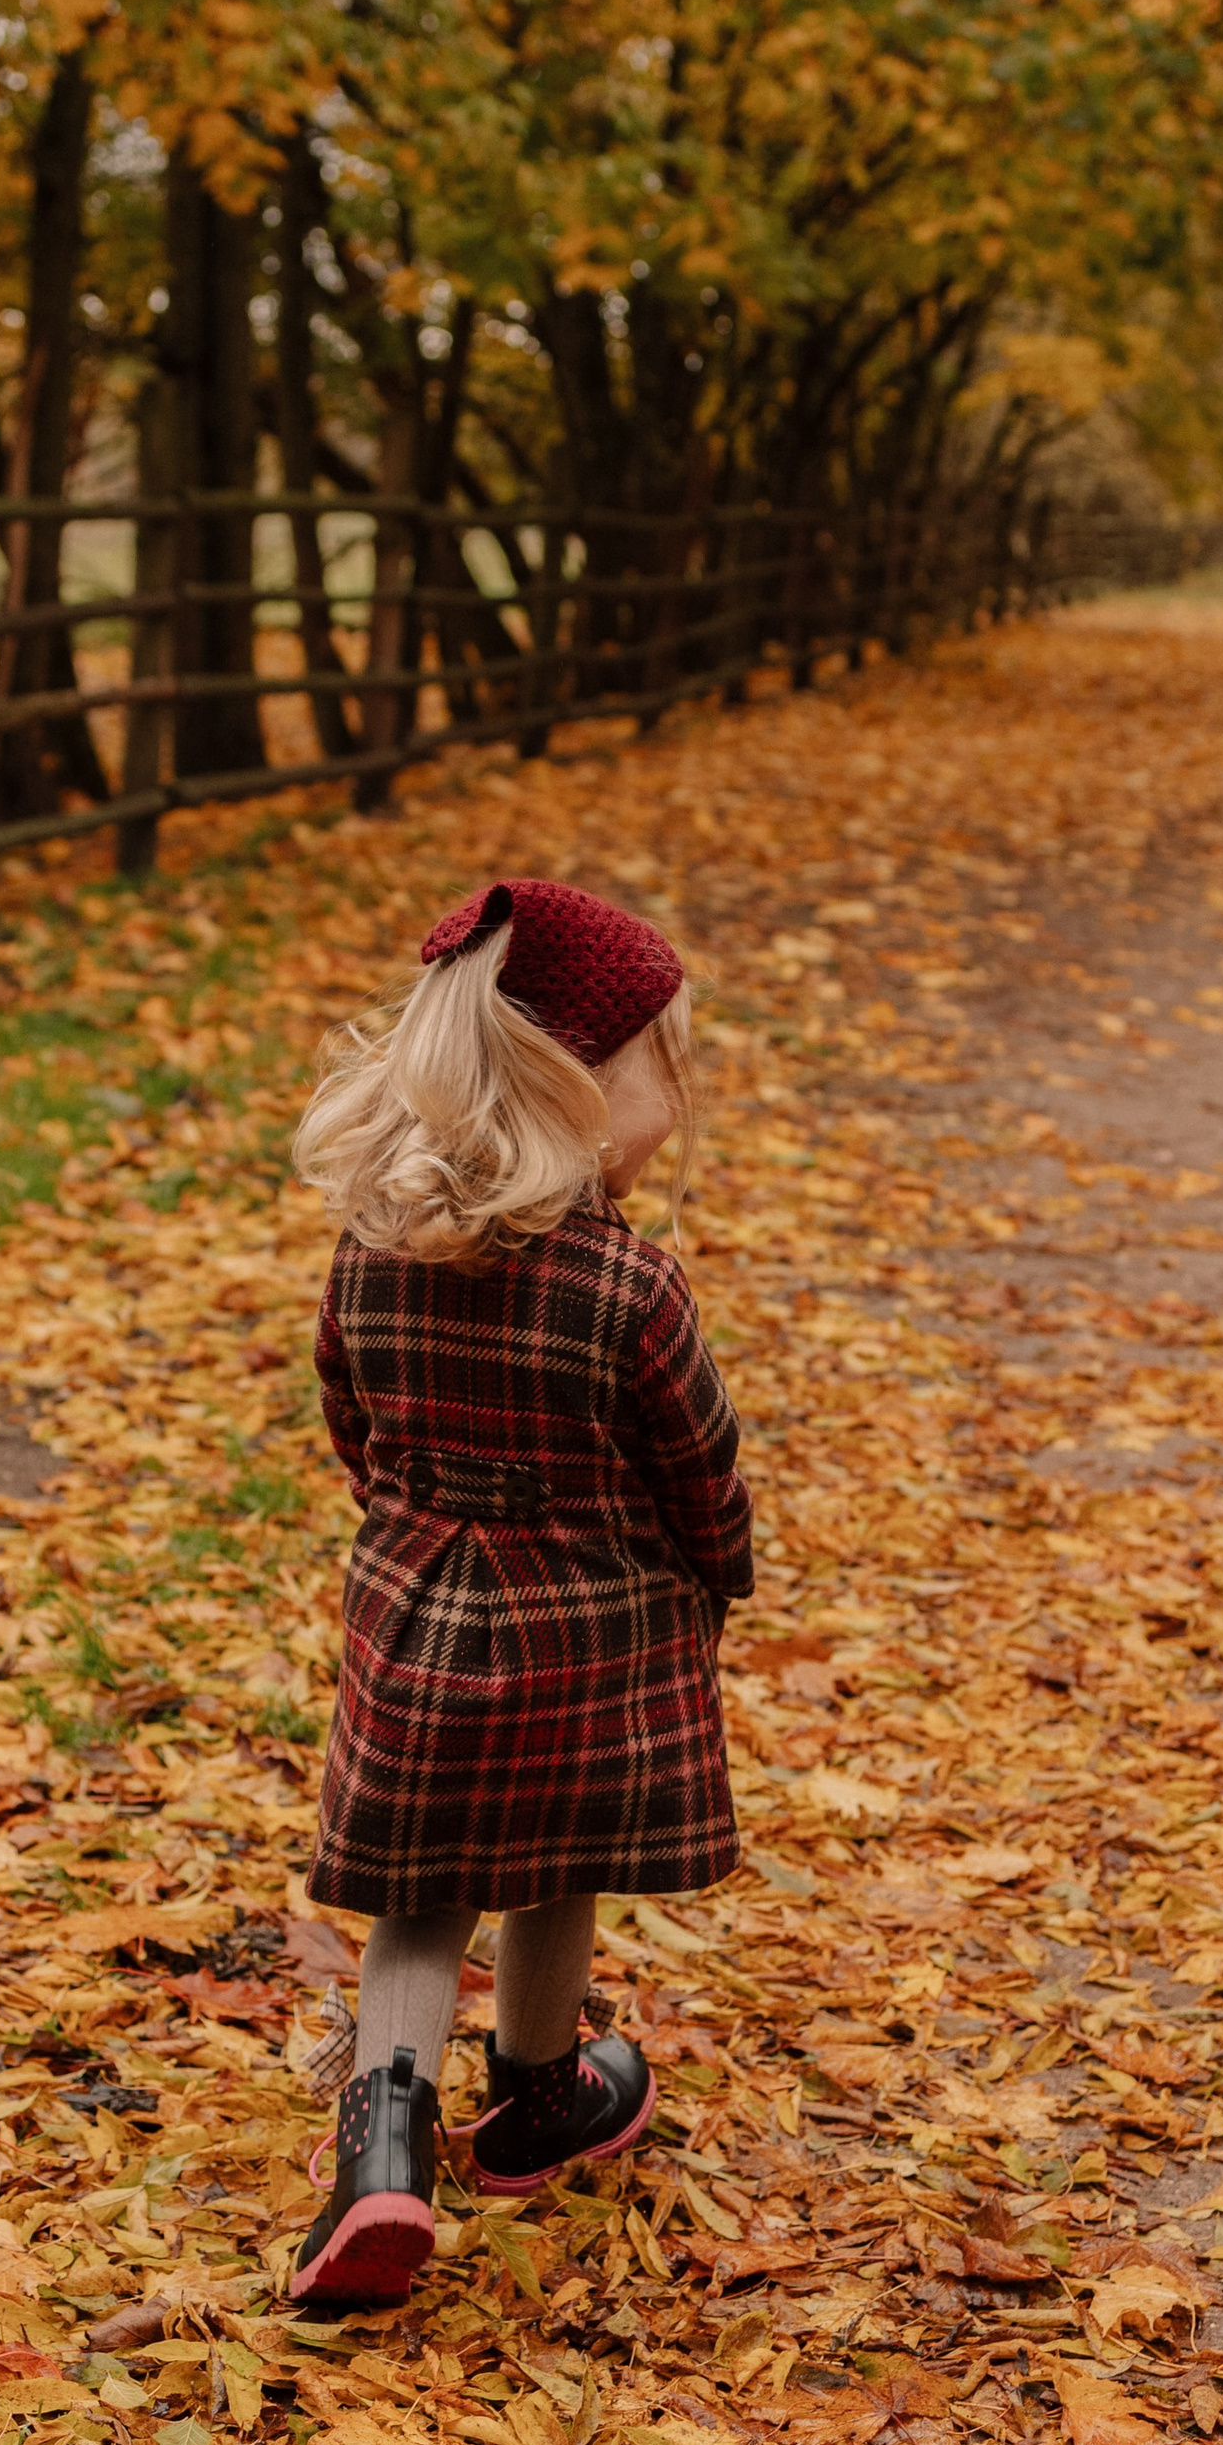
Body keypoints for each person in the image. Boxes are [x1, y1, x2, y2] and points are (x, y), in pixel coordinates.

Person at [282, 875, 754, 2307]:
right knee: (555, 1862)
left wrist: (416, 1533)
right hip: (591, 1639)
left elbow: (352, 1423)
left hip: (421, 1622)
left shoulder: (373, 1258)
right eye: (666, 1065)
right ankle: (542, 2089)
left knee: (419, 1896)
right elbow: (698, 1460)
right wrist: (718, 1571)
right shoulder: (629, 1287)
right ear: (585, 1086)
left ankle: (383, 2158)